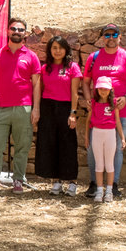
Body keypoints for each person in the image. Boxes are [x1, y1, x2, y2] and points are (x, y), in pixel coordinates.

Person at [81, 23, 126, 198]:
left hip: (121, 112)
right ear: (102, 38)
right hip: (98, 112)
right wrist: (88, 99)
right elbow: (85, 82)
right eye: (107, 35)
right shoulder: (93, 57)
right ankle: (95, 184)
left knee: (116, 148)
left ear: (120, 37)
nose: (110, 38)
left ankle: (113, 184)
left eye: (114, 35)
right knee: (94, 148)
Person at [0, 17, 41, 194]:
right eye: (13, 29)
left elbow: (37, 84)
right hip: (1, 107)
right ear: (8, 31)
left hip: (24, 108)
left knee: (22, 146)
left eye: (20, 30)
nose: (17, 32)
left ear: (25, 34)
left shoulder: (31, 57)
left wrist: (36, 108)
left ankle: (18, 180)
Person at [36, 35, 81, 197]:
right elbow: (40, 91)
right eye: (54, 48)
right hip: (48, 108)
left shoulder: (72, 67)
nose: (57, 51)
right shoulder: (45, 68)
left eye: (60, 47)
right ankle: (56, 181)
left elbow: (75, 93)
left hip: (66, 108)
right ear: (50, 50)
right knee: (50, 144)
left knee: (68, 145)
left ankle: (72, 182)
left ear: (66, 49)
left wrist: (73, 114)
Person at [86, 77, 126, 203]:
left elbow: (118, 121)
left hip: (110, 134)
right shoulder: (93, 103)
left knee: (109, 164)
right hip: (97, 133)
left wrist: (122, 138)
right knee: (99, 164)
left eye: (106, 89)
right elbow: (88, 121)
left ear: (111, 89)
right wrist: (87, 137)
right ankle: (99, 190)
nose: (103, 91)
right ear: (97, 89)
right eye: (101, 88)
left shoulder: (114, 103)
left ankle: (108, 191)